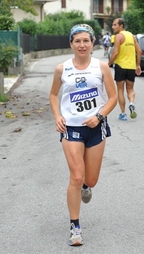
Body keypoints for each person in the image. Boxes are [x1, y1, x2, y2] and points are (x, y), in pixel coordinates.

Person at [49, 24, 117, 246]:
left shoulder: (102, 67)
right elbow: (52, 94)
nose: (81, 44)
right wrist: (58, 115)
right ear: (71, 43)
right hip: (71, 129)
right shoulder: (62, 69)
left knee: (90, 180)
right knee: (76, 177)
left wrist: (99, 116)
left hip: (95, 128)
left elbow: (113, 98)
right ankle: (75, 226)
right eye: (77, 41)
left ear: (93, 43)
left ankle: (86, 187)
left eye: (86, 40)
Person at [108, 18, 142, 121]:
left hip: (120, 66)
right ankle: (131, 102)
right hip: (131, 67)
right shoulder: (131, 36)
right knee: (130, 89)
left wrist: (109, 64)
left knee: (120, 90)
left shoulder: (118, 36)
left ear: (121, 25)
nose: (113, 27)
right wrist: (138, 65)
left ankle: (123, 114)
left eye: (115, 25)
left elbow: (115, 52)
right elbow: (139, 51)